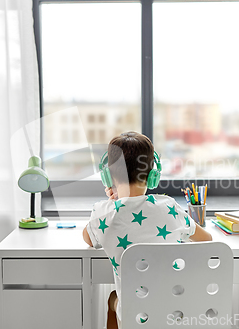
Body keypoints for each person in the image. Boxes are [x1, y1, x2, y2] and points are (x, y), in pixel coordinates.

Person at [82, 131, 212, 329]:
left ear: (108, 176)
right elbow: (207, 239)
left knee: (112, 300)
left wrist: (112, 204)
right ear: (153, 175)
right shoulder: (170, 207)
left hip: (137, 318)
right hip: (178, 315)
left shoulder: (103, 213)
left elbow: (88, 238)